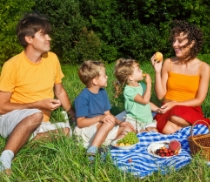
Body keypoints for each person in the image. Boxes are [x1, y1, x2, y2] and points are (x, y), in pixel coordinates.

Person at [0, 12, 75, 174]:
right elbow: (1, 107)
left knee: (67, 132)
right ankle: (4, 159)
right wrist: (36, 105)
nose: (49, 38)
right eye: (43, 34)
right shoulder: (12, 65)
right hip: (11, 119)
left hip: (41, 122)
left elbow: (60, 91)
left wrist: (72, 115)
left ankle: (20, 145)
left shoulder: (52, 58)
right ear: (29, 39)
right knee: (35, 114)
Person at [151, 20, 210, 134]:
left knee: (174, 117)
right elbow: (160, 95)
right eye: (173, 41)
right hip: (168, 109)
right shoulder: (169, 63)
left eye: (180, 41)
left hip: (188, 110)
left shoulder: (204, 68)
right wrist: (157, 71)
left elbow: (199, 100)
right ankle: (196, 128)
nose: (174, 45)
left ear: (192, 43)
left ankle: (195, 126)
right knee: (168, 128)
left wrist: (175, 103)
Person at [74, 60, 134, 160]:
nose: (107, 76)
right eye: (104, 75)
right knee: (109, 122)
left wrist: (120, 123)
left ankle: (108, 149)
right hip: (85, 131)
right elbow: (80, 123)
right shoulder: (83, 97)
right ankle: (92, 151)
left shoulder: (102, 92)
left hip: (102, 128)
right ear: (95, 81)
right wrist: (99, 118)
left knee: (128, 130)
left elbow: (108, 114)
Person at [114, 58, 162, 132]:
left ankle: (143, 131)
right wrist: (149, 84)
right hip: (135, 120)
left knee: (154, 131)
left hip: (146, 120)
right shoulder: (129, 90)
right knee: (132, 131)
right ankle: (138, 131)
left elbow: (147, 103)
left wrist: (158, 109)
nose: (142, 71)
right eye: (139, 70)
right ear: (131, 77)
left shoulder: (142, 85)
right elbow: (145, 101)